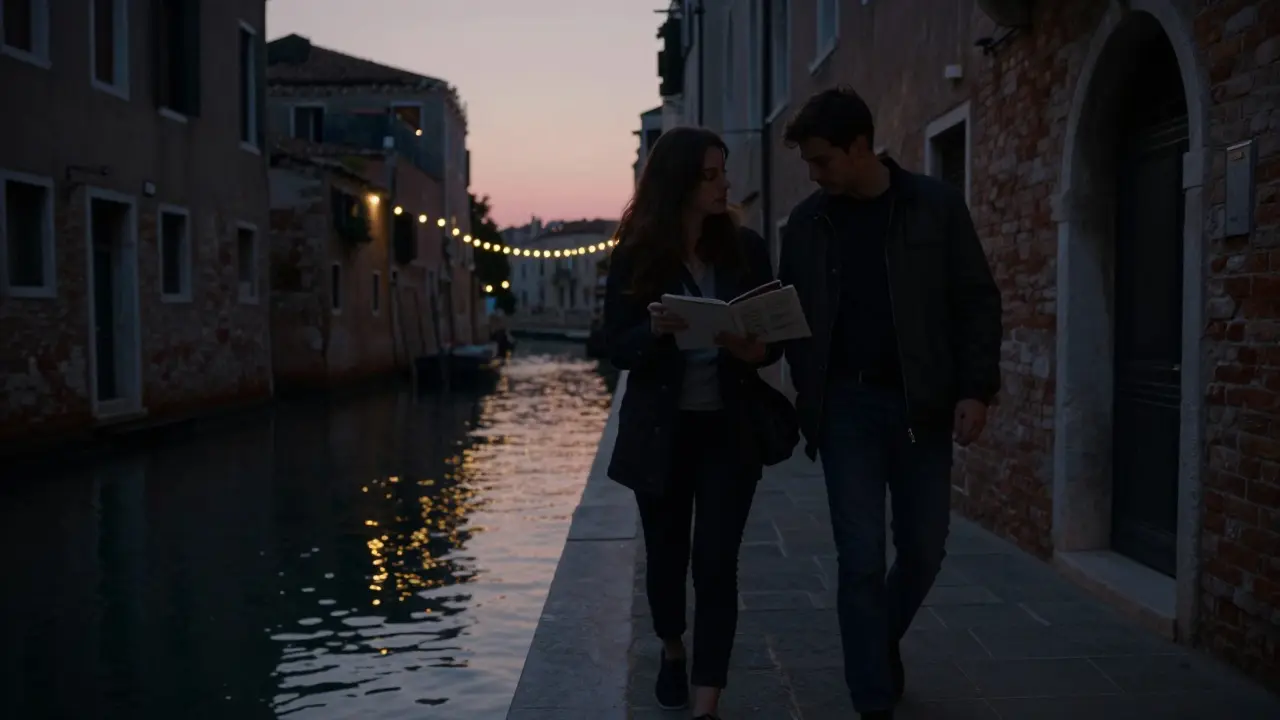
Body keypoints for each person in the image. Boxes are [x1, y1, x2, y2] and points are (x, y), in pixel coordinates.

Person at [777, 87, 1003, 719]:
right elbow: (790, 319)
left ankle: (874, 647)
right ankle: (872, 699)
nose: (814, 174)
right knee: (859, 558)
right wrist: (798, 376)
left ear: (858, 147)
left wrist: (975, 388)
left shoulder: (936, 207)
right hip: (844, 408)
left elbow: (977, 301)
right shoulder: (805, 224)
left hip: (921, 406)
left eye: (822, 160)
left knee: (926, 547)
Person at [603, 126, 778, 720]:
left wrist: (755, 349)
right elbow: (613, 346)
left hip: (729, 430)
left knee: (716, 563)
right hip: (664, 434)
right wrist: (651, 333)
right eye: (710, 173)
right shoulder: (635, 256)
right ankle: (672, 647)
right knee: (667, 558)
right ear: (679, 181)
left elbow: (769, 337)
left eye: (723, 170)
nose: (724, 182)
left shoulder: (747, 249)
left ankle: (707, 703)